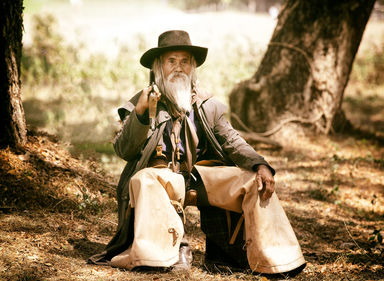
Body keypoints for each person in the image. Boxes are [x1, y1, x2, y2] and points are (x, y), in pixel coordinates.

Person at [89, 30, 305, 274]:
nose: (178, 68)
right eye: (171, 61)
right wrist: (140, 114)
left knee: (252, 180)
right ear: (158, 67)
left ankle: (276, 259)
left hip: (201, 179)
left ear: (192, 67)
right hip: (163, 180)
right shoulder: (142, 102)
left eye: (185, 61)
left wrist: (260, 164)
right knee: (143, 179)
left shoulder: (206, 104)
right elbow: (123, 150)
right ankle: (164, 254)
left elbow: (232, 141)